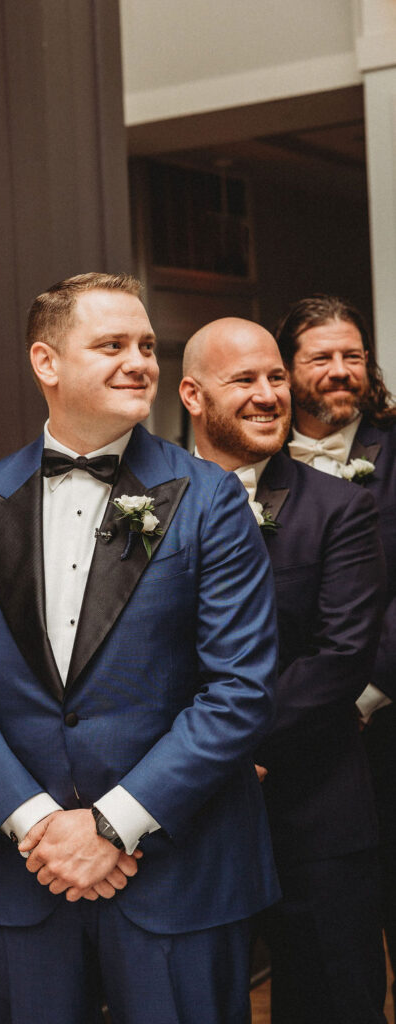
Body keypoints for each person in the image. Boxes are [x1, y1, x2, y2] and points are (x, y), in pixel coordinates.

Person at [0, 273, 280, 1024]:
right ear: (46, 362)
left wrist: (111, 826)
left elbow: (239, 688)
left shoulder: (209, 501)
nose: (139, 361)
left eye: (146, 346)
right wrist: (40, 825)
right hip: (28, 876)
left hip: (180, 875)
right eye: (110, 344)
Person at [179, 316, 388, 1024]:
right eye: (244, 379)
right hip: (183, 822)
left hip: (311, 811)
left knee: (333, 1001)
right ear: (191, 394)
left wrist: (227, 752)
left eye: (274, 377)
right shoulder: (142, 507)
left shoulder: (338, 509)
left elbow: (338, 657)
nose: (269, 394)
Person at [276, 294, 396, 1004]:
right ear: (287, 369)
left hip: (385, 710)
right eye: (320, 357)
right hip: (303, 734)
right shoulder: (255, 454)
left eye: (350, 355)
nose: (339, 370)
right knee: (327, 931)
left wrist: (362, 687)